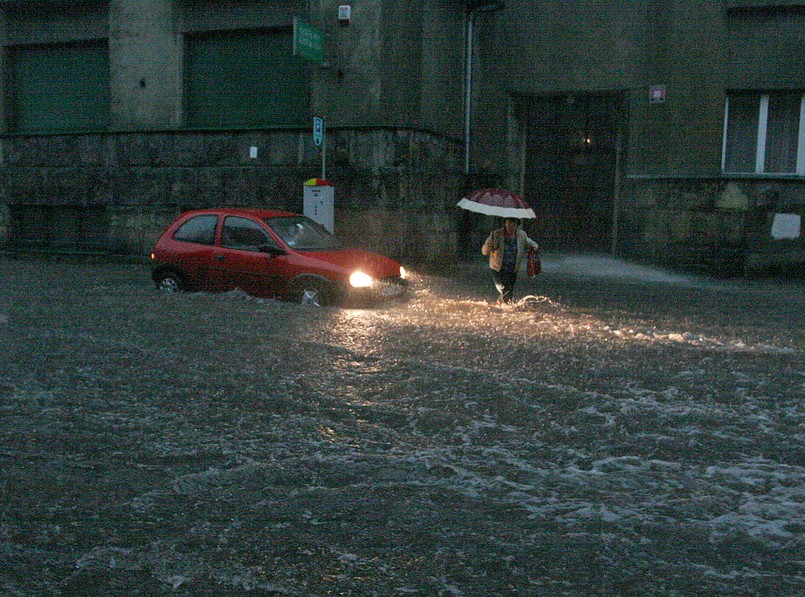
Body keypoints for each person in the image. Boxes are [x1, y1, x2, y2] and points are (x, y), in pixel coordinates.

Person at [481, 217, 539, 305]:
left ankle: (499, 304)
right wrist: (489, 245)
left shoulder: (521, 235)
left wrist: (535, 247)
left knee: (509, 291)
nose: (511, 227)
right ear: (505, 223)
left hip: (513, 268)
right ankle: (508, 309)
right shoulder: (496, 234)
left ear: (517, 225)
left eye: (513, 224)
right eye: (508, 224)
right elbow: (484, 251)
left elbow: (531, 243)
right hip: (498, 268)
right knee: (505, 289)